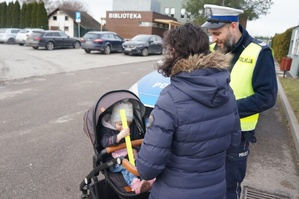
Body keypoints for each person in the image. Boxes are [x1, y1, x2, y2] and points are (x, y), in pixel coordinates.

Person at [135, 23, 242, 199]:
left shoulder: (170, 98)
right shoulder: (227, 92)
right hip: (215, 190)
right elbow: (234, 142)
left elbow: (148, 168)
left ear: (174, 52)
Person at [201, 4, 278, 199]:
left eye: (217, 33)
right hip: (209, 131)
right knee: (205, 183)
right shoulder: (211, 49)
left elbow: (267, 97)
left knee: (229, 187)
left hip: (237, 137)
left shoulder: (259, 53)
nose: (213, 39)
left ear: (233, 26)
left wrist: (229, 110)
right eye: (211, 34)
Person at [100, 100, 153, 194]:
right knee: (127, 167)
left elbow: (137, 141)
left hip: (130, 154)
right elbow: (104, 142)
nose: (124, 127)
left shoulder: (131, 128)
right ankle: (135, 184)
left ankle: (148, 180)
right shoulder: (108, 129)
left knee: (141, 161)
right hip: (114, 160)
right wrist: (118, 136)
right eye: (120, 124)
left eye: (128, 123)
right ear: (113, 121)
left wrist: (135, 150)